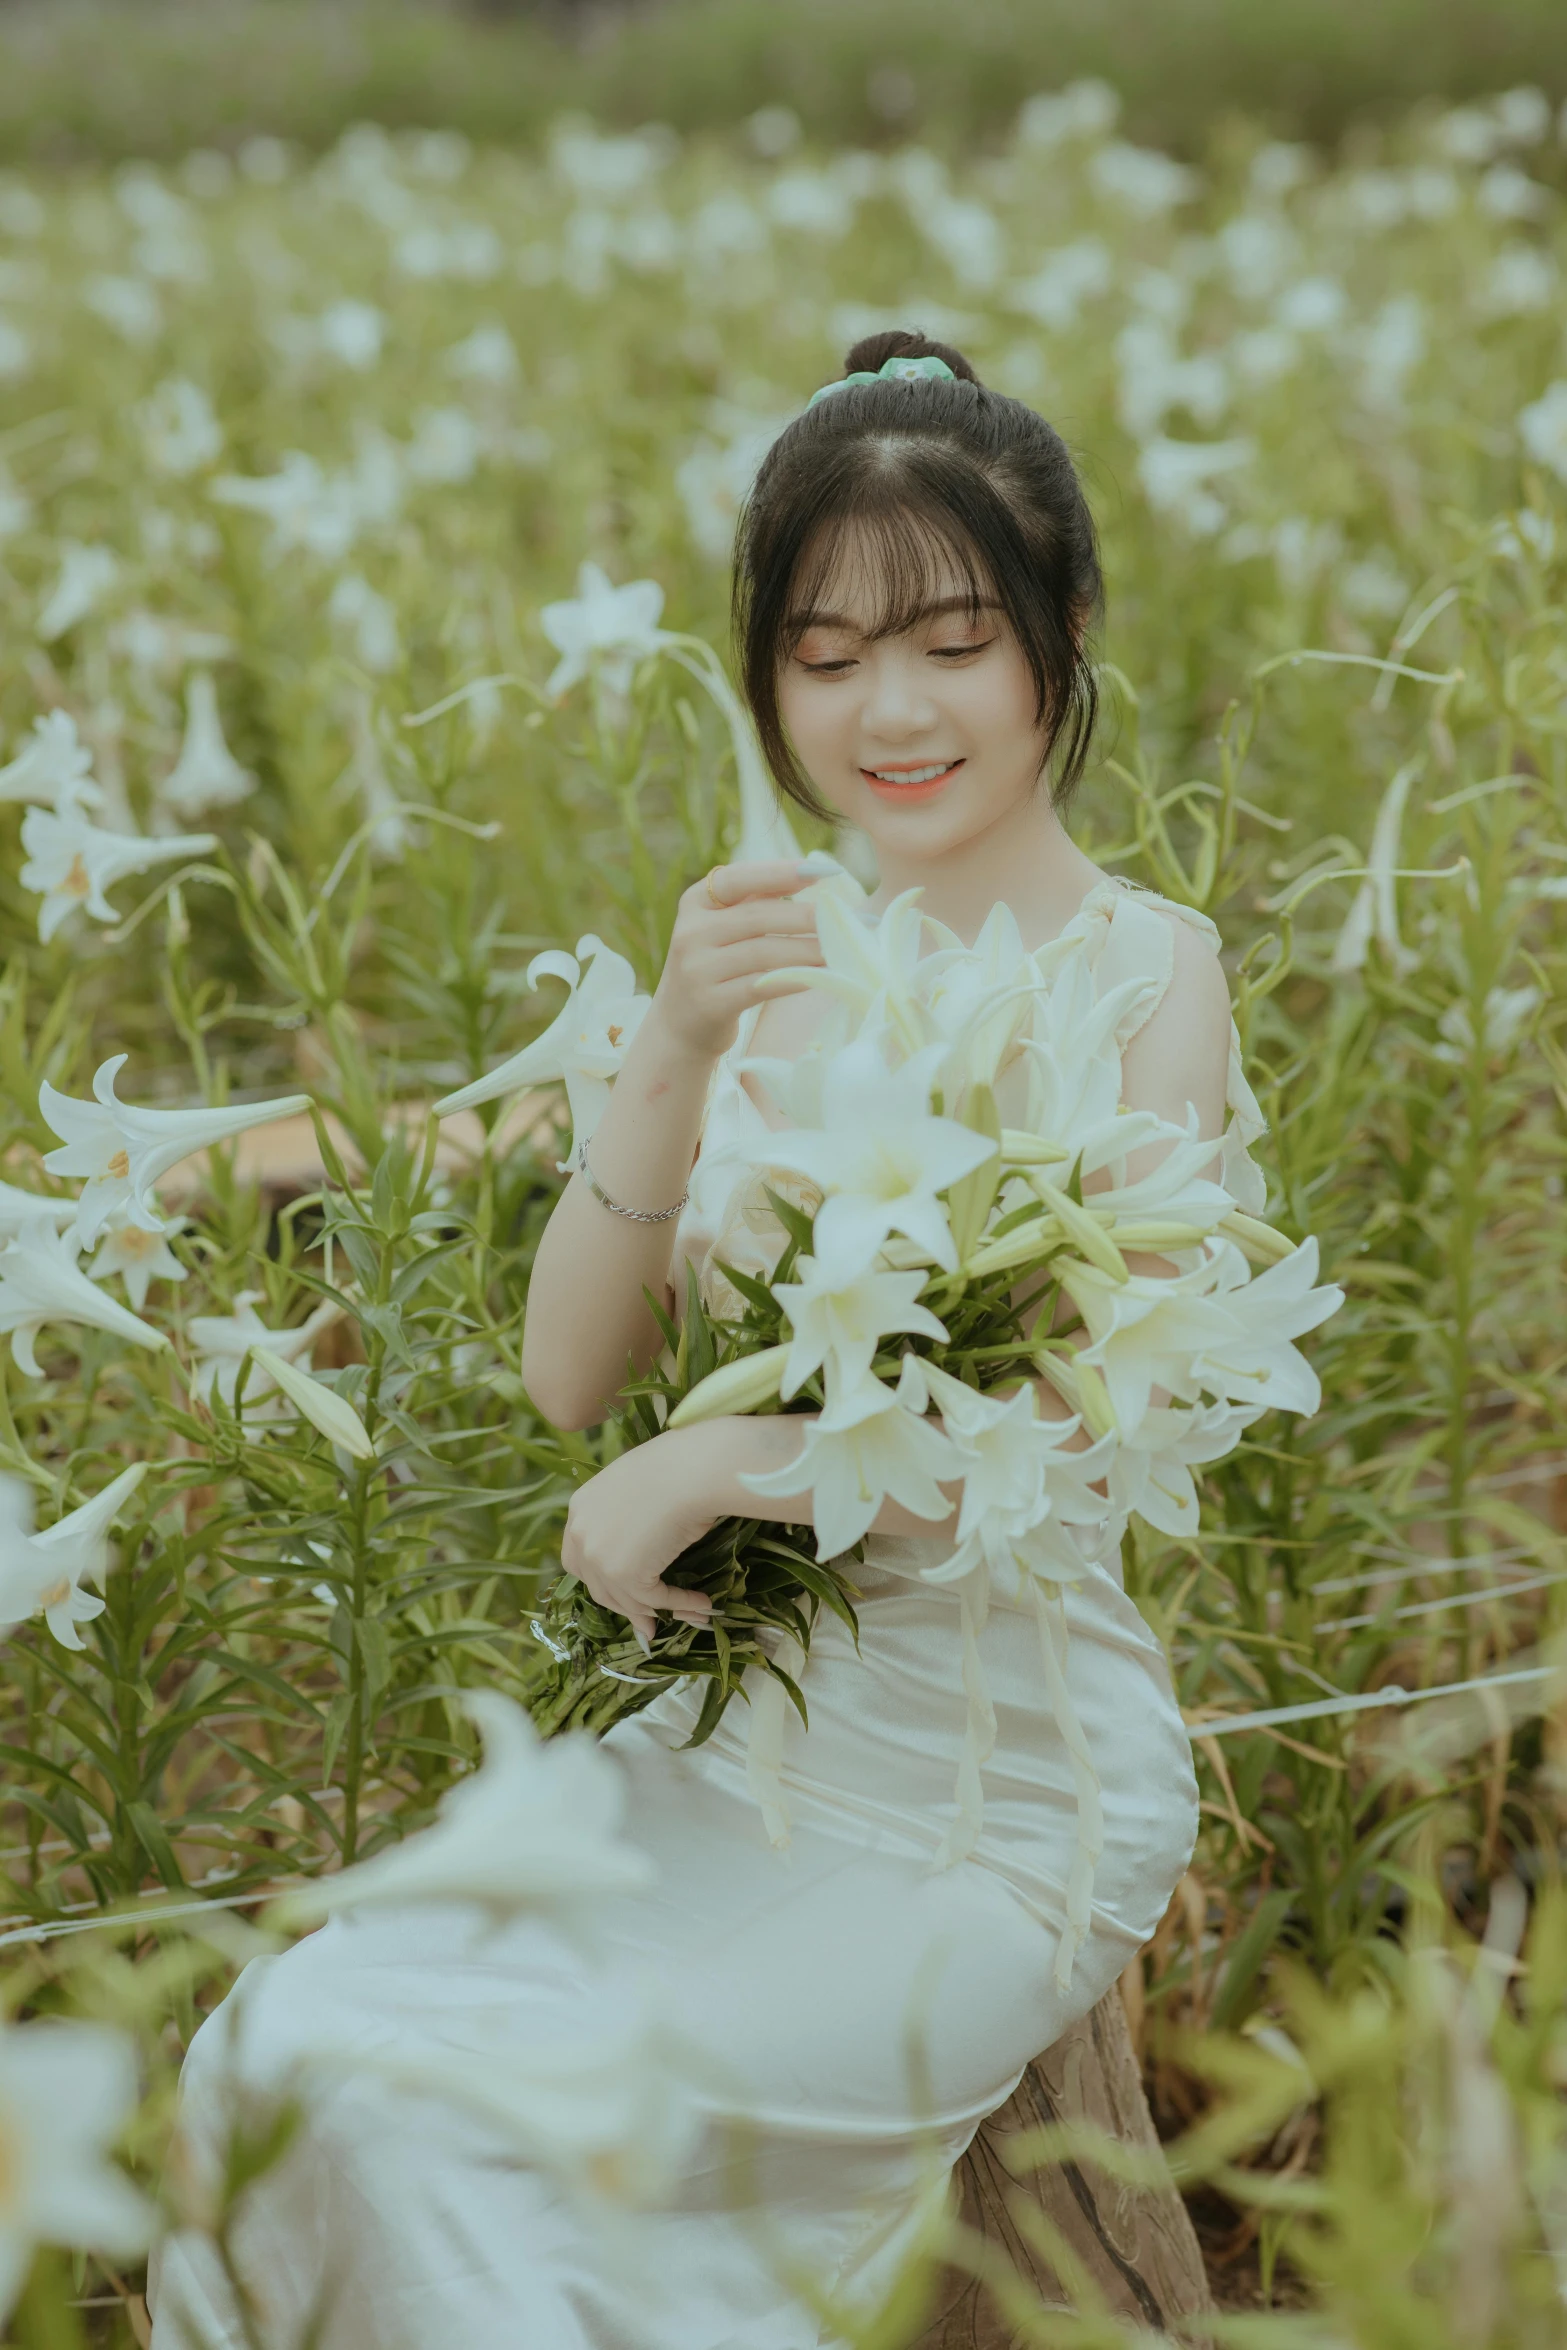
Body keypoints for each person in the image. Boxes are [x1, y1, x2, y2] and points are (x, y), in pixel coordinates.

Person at [151, 330, 1230, 2350]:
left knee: (458, 2138)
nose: (888, 708)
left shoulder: (1146, 969)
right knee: (296, 2044)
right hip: (742, 1743)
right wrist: (669, 1040)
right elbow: (573, 1381)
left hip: (1002, 1783)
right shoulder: (765, 944)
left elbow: (1085, 1413)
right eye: (823, 657)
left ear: (1066, 632)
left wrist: (730, 1463)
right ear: (765, 677)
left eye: (950, 639)